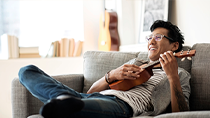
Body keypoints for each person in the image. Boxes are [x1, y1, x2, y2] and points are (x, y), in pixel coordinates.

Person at [18, 20, 190, 118]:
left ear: (174, 45)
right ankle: (65, 103)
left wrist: (172, 76)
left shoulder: (181, 75)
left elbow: (181, 114)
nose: (151, 41)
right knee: (27, 71)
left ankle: (63, 106)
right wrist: (111, 75)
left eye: (158, 37)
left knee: (75, 105)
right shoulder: (137, 62)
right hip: (90, 97)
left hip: (121, 106)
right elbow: (92, 91)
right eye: (149, 37)